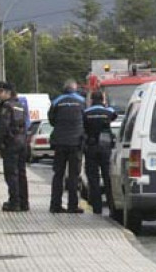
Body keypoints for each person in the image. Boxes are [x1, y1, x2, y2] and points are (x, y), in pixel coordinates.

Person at [48, 79, 85, 214]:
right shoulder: (82, 101)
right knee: (74, 175)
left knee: (58, 174)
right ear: (75, 88)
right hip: (76, 144)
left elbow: (51, 120)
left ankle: (55, 205)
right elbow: (85, 119)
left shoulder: (57, 101)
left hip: (59, 143)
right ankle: (72, 205)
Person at [0, 82, 29, 212]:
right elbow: (25, 124)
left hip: (11, 143)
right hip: (22, 142)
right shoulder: (20, 105)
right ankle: (24, 202)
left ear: (8, 93)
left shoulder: (7, 106)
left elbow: (3, 126)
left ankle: (14, 202)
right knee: (21, 173)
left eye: (1, 91)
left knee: (11, 174)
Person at [83, 91, 116, 214]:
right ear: (102, 99)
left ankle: (97, 209)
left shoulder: (86, 113)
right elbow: (114, 115)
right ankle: (112, 206)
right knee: (108, 178)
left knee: (93, 179)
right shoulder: (108, 112)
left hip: (91, 148)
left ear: (91, 100)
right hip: (105, 147)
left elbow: (84, 126)